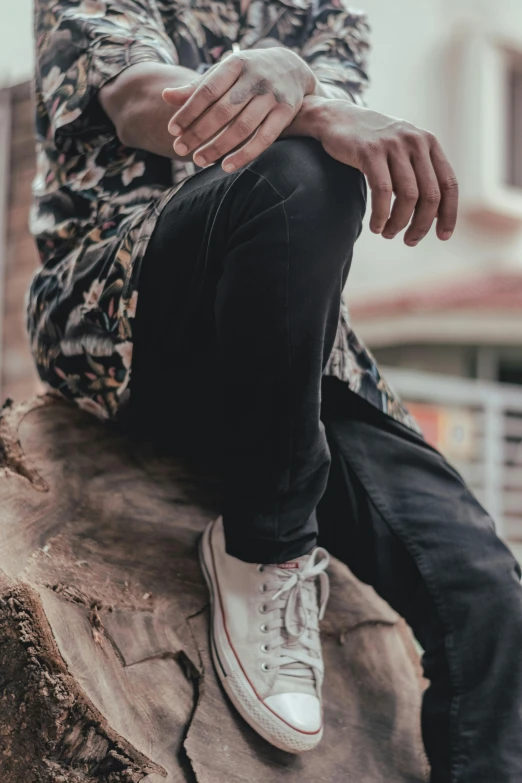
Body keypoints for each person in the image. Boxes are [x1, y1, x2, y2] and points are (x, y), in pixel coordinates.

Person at [28, 0, 522, 778]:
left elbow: (339, 126)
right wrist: (303, 94)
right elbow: (139, 103)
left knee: (487, 591)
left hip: (299, 350)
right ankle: (267, 545)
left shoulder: (324, 14)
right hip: (120, 309)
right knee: (295, 171)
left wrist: (305, 90)